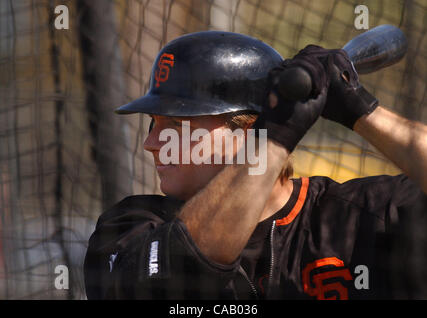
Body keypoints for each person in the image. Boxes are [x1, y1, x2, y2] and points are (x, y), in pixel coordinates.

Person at [84, 31, 427, 300]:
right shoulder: (132, 226)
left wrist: (360, 108)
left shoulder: (366, 214)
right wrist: (273, 140)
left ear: (248, 129)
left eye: (176, 125)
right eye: (152, 123)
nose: (151, 143)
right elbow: (183, 265)